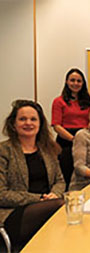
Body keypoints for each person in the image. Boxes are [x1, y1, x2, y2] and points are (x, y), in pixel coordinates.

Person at [0, 100, 65, 252]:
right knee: (61, 207)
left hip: (49, 205)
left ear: (40, 124)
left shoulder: (49, 149)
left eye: (33, 119)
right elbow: (1, 194)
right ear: (13, 124)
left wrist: (54, 194)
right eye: (22, 119)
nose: (28, 123)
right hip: (13, 214)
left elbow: (60, 180)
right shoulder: (4, 151)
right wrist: (40, 198)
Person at [51, 68, 90, 189]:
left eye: (79, 81)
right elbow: (56, 126)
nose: (75, 83)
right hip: (66, 142)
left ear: (83, 83)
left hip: (85, 140)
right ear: (67, 82)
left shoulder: (88, 102)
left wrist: (82, 139)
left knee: (85, 174)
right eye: (72, 80)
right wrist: (74, 139)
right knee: (67, 174)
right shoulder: (58, 101)